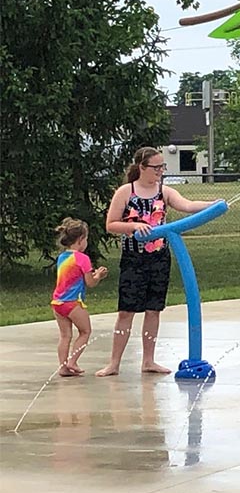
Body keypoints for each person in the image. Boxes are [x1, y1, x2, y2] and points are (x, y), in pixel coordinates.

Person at [96, 147, 217, 377]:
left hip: (159, 257)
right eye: (156, 167)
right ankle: (114, 363)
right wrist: (133, 226)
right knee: (126, 311)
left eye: (163, 167)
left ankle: (148, 360)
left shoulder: (165, 192)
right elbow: (111, 224)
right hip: (133, 258)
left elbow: (188, 205)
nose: (161, 171)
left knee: (154, 310)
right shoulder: (126, 192)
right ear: (142, 167)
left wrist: (213, 204)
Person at [50, 218, 108, 377]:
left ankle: (63, 367)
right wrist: (98, 275)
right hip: (72, 303)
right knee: (85, 331)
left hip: (57, 302)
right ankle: (72, 361)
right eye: (87, 238)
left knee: (65, 336)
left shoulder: (62, 257)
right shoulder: (83, 259)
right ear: (81, 240)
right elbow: (90, 283)